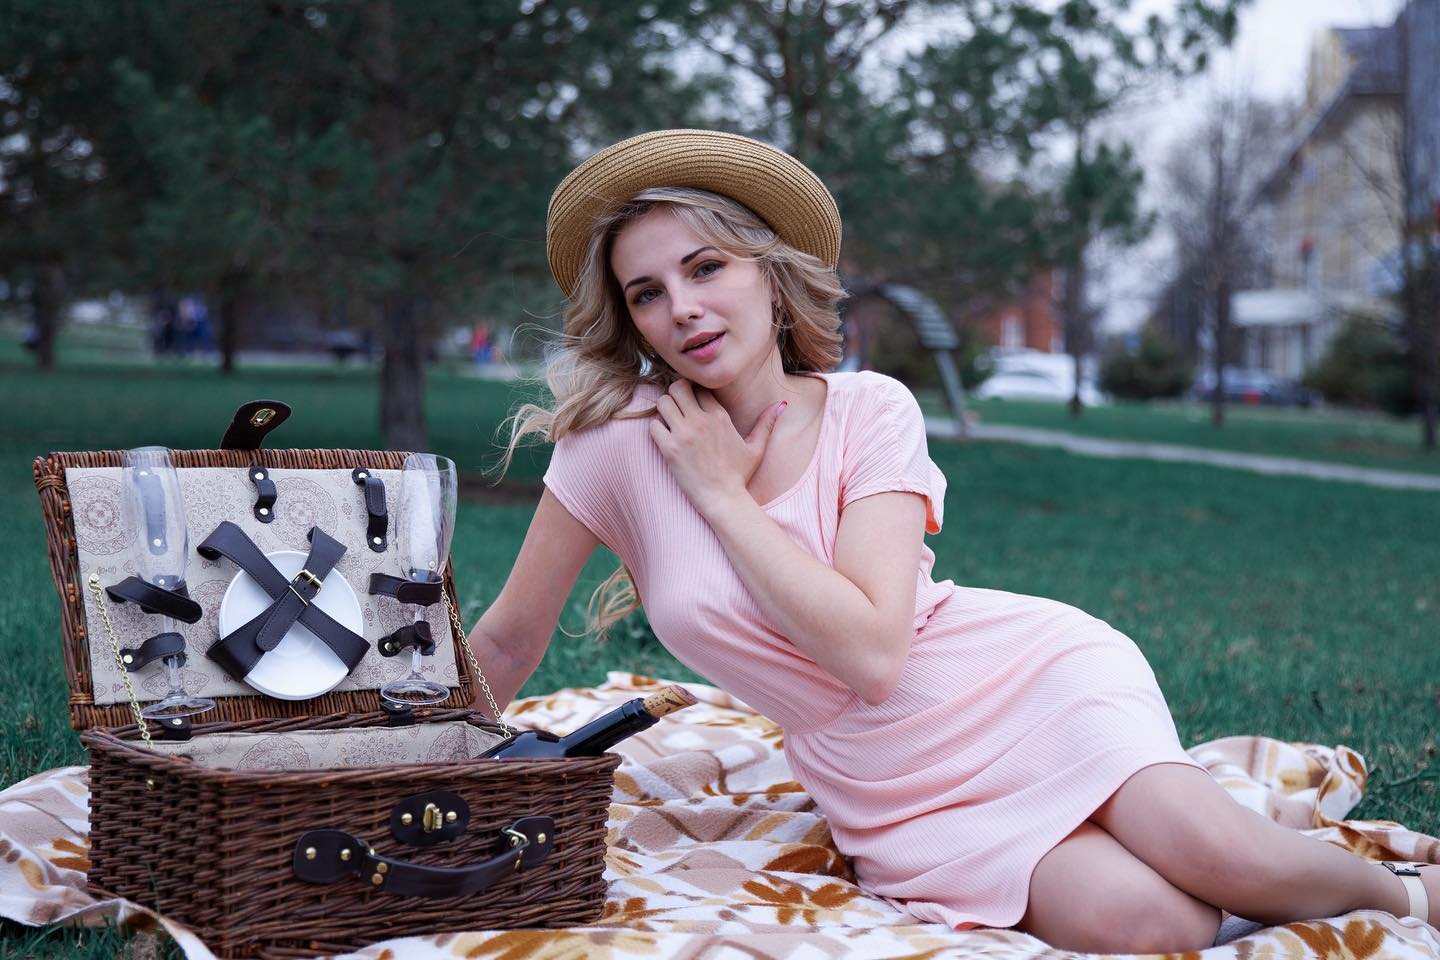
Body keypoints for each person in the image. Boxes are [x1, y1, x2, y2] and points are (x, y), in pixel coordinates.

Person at [466, 129, 1436, 953]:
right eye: (646, 292)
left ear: (769, 272)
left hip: (1017, 680)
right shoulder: (619, 446)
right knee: (1155, 923)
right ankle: (1184, 849)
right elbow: (509, 641)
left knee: (1229, 859)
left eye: (706, 267)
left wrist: (722, 498)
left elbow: (875, 654)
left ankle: (1410, 899)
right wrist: (401, 766)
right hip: (881, 785)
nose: (680, 307)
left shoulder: (869, 412)